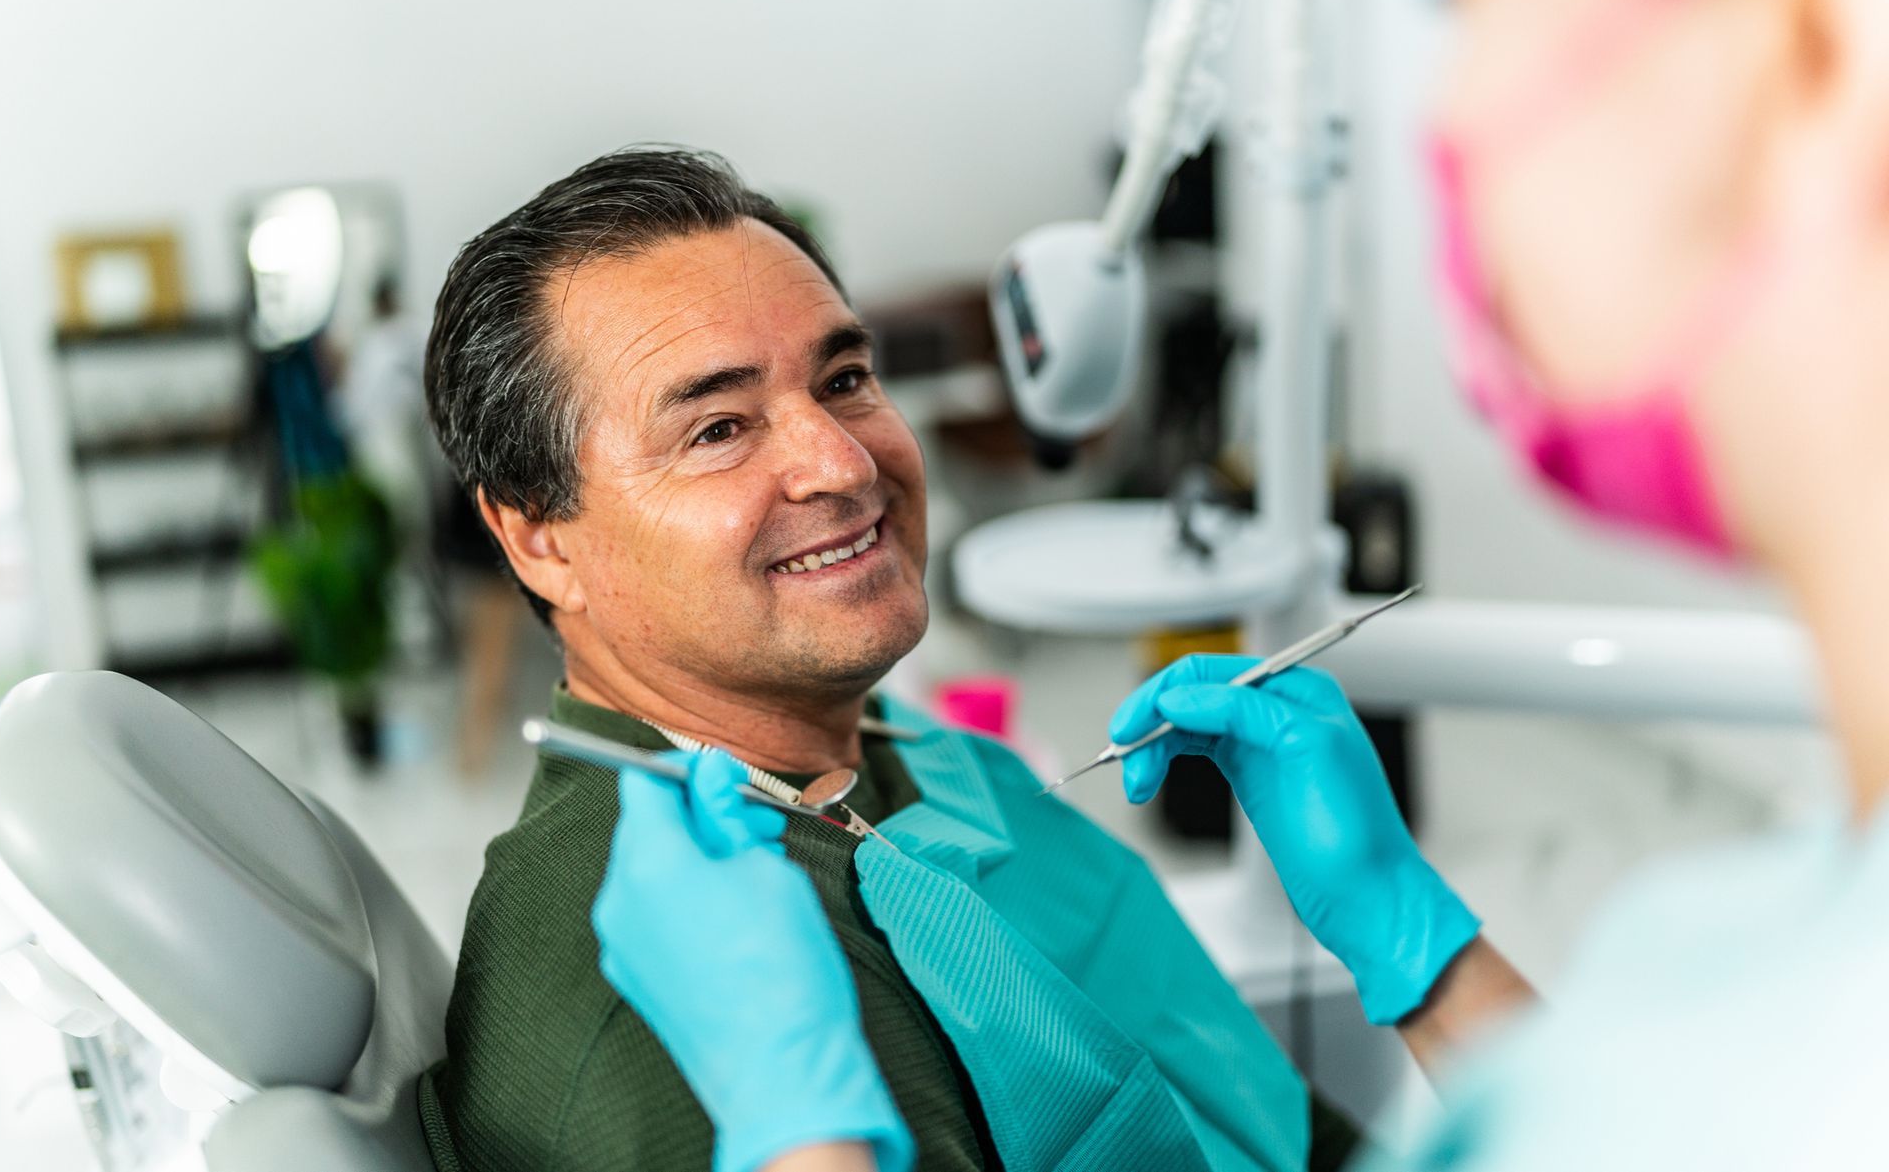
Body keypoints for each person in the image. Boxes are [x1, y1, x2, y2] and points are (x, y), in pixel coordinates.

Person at [590, 0, 1889, 1167]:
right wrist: (1425, 954)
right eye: (714, 426)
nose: (1449, 118)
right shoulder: (1740, 1010)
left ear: (1803, 22)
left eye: (1471, 6)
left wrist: (799, 1131)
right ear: (536, 534)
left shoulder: (1753, 1040)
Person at [416, 147, 1361, 1172]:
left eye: (846, 380)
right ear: (539, 540)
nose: (845, 460)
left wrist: (1402, 937)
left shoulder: (900, 758)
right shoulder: (666, 1014)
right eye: (719, 428)